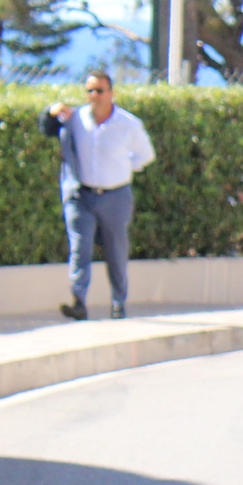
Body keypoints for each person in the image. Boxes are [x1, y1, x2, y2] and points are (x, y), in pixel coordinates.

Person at [40, 69, 156, 320]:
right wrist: (50, 110)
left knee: (115, 250)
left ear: (111, 93)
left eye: (100, 91)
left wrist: (125, 169)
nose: (94, 95)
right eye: (90, 90)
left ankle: (118, 302)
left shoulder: (128, 124)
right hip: (82, 195)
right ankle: (79, 301)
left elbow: (146, 156)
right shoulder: (77, 119)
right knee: (80, 248)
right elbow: (48, 128)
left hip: (116, 196)